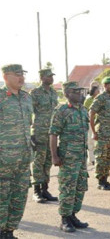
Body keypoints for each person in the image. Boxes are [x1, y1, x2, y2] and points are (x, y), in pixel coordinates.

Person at [49, 81, 89, 233]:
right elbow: (53, 134)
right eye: (75, 91)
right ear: (66, 94)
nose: (79, 94)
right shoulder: (62, 110)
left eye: (79, 91)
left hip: (81, 157)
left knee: (80, 187)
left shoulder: (83, 110)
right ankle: (65, 219)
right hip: (68, 158)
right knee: (68, 188)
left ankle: (73, 215)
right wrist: (54, 156)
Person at [0, 64, 33, 239]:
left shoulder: (26, 98)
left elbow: (28, 125)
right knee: (2, 197)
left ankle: (9, 231)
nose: (22, 78)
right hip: (3, 159)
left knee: (19, 196)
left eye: (23, 74)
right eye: (17, 74)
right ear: (6, 77)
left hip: (23, 157)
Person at [29, 68, 59, 203]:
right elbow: (29, 113)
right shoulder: (35, 93)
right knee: (38, 162)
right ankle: (36, 191)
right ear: (42, 78)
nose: (51, 78)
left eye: (52, 76)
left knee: (48, 161)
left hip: (52, 132)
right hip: (40, 131)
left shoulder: (53, 93)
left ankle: (45, 189)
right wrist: (31, 134)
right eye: (48, 76)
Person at [89, 77, 110, 190]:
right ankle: (100, 181)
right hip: (102, 133)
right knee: (101, 157)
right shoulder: (101, 98)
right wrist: (94, 132)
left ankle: (105, 179)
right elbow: (91, 113)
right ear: (105, 86)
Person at [83, 84, 100, 165]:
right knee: (90, 141)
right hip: (90, 122)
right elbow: (85, 111)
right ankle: (91, 159)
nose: (99, 92)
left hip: (97, 123)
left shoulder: (100, 99)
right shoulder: (88, 100)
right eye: (97, 90)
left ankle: (96, 158)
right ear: (93, 91)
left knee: (96, 142)